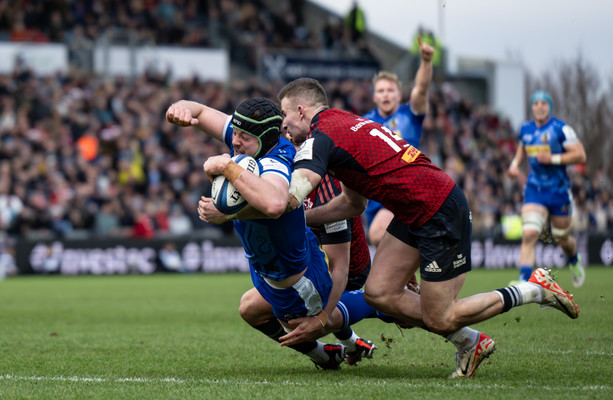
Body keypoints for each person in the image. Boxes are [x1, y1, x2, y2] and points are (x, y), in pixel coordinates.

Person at [277, 77, 580, 378]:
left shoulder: (321, 136)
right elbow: (353, 205)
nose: (283, 127)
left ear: (301, 110)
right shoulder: (343, 124)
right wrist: (305, 218)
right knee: (379, 293)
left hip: (438, 210)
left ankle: (533, 288)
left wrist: (262, 205)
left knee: (440, 317)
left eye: (285, 116)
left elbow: (293, 195)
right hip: (416, 210)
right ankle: (471, 342)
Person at [166, 97, 376, 370]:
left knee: (305, 320)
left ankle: (379, 301)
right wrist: (179, 109)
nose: (236, 141)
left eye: (243, 136)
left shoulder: (279, 160)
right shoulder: (247, 138)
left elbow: (275, 205)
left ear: (266, 139)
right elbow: (201, 111)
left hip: (297, 274)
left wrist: (226, 171)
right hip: (270, 262)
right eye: (236, 133)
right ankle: (327, 356)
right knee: (249, 310)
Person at [507, 90, 587, 287]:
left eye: (544, 103)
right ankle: (523, 283)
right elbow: (521, 149)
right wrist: (515, 164)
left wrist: (553, 158)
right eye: (536, 103)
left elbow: (580, 155)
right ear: (532, 107)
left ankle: (574, 261)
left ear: (549, 107)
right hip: (535, 189)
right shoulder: (525, 129)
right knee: (529, 233)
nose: (540, 106)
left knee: (562, 239)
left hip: (558, 191)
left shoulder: (561, 129)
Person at [362, 35, 433, 247]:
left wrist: (426, 62)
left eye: (390, 90)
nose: (386, 95)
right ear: (374, 96)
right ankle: (405, 277)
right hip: (377, 198)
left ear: (398, 94)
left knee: (376, 234)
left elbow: (420, 89)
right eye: (381, 91)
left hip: (405, 190)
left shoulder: (409, 115)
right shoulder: (365, 122)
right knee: (382, 242)